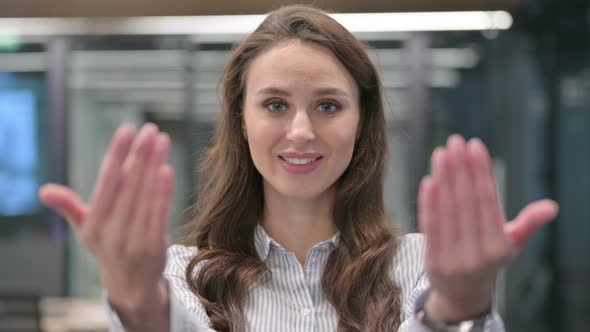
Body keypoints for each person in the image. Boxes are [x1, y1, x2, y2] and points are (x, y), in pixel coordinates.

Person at [38, 5, 559, 332]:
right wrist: (135, 299)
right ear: (241, 121)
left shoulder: (423, 267)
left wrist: (457, 308)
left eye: (329, 105)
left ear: (362, 121)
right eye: (275, 105)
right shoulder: (180, 275)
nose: (302, 131)